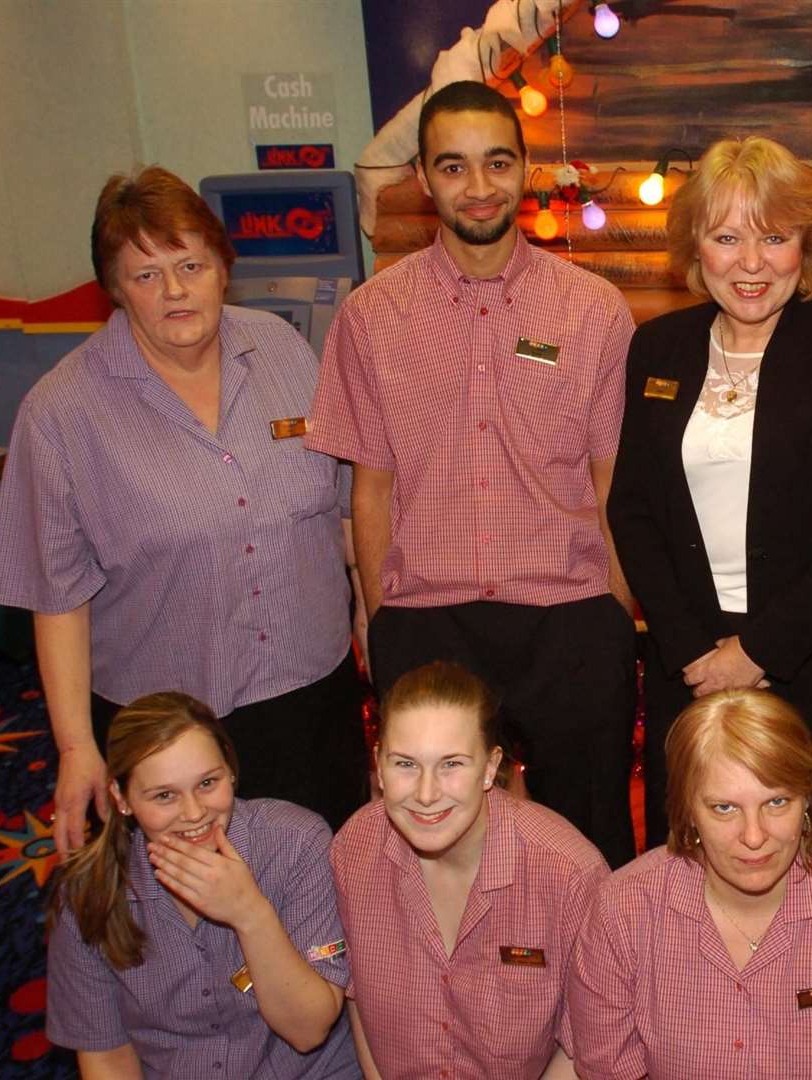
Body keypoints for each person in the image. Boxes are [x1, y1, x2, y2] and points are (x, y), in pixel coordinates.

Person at [0, 165, 368, 852]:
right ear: (113, 289)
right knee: (187, 917)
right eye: (145, 274)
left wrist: (371, 606)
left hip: (312, 692)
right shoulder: (60, 413)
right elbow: (57, 599)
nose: (174, 291)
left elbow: (337, 509)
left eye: (190, 264)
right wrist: (76, 746)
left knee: (324, 881)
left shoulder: (284, 350)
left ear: (223, 266)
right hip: (169, 730)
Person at [307, 80, 637, 866]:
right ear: (423, 179)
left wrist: (618, 614)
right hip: (429, 620)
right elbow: (371, 487)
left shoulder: (592, 311)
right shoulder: (370, 317)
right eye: (453, 167)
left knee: (589, 842)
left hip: (569, 616)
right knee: (441, 850)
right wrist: (381, 617)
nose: (478, 186)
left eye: (496, 163)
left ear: (525, 170)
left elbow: (612, 480)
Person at [607, 134, 812, 861]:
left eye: (773, 238)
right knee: (688, 865)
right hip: (693, 666)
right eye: (726, 237)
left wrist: (759, 650)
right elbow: (634, 510)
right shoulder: (657, 349)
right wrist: (695, 656)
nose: (750, 263)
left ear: (804, 248)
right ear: (694, 247)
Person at [567, 689, 812, 1079]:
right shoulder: (623, 910)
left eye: (777, 802)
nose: (755, 836)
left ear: (807, 800)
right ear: (688, 811)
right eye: (724, 808)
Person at [46, 693, 358, 1078]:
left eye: (207, 783)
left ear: (230, 771)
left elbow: (308, 1031)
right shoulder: (86, 894)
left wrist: (250, 915)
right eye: (164, 795)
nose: (194, 813)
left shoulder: (296, 842)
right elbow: (108, 1057)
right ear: (121, 798)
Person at [331, 660, 607, 1079]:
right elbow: (358, 1000)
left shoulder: (568, 873)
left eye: (452, 764)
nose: (426, 794)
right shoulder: (355, 849)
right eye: (405, 764)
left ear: (491, 767)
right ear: (379, 765)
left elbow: (585, 1042)